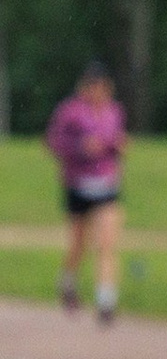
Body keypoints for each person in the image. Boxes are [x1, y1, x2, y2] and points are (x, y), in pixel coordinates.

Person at [44, 63, 126, 324]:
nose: (97, 92)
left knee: (106, 242)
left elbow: (114, 141)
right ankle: (68, 283)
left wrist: (117, 145)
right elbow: (54, 142)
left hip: (107, 185)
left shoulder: (114, 112)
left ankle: (106, 300)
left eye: (102, 87)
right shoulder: (70, 112)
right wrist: (80, 147)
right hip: (78, 185)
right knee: (79, 244)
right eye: (92, 87)